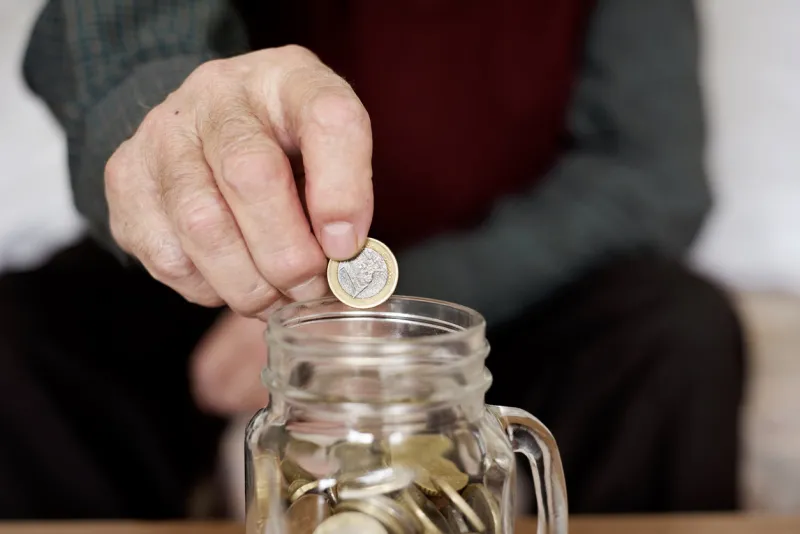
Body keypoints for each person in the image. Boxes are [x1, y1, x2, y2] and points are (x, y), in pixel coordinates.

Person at [2, 0, 744, 520]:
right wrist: (177, 143)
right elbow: (112, 28)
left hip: (498, 302)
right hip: (226, 290)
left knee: (680, 334)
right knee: (18, 340)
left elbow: (653, 177)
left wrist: (396, 311)